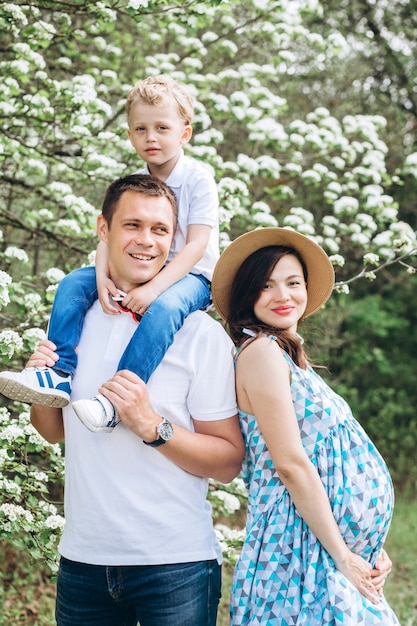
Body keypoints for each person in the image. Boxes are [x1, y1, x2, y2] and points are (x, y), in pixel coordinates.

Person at [26, 174, 245, 626]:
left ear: (175, 239)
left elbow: (227, 462)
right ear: (103, 229)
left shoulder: (197, 333)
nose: (146, 241)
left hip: (176, 565)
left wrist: (153, 427)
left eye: (160, 230)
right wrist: (40, 383)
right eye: (132, 225)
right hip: (83, 560)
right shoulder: (74, 316)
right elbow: (50, 432)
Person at [0, 75, 219, 433]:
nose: (151, 137)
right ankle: (57, 372)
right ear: (130, 135)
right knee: (74, 283)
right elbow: (107, 242)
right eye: (141, 128)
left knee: (163, 309)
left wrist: (153, 289)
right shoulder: (134, 181)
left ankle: (115, 399)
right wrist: (101, 279)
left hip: (192, 277)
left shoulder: (197, 178)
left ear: (184, 133)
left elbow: (196, 246)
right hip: (142, 268)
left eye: (162, 127)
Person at [210, 227, 400, 625]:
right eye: (266, 286)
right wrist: (343, 554)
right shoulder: (261, 352)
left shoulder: (287, 353)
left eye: (293, 282)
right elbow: (291, 464)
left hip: (322, 542)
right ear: (248, 296)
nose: (283, 296)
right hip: (296, 543)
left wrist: (366, 545)